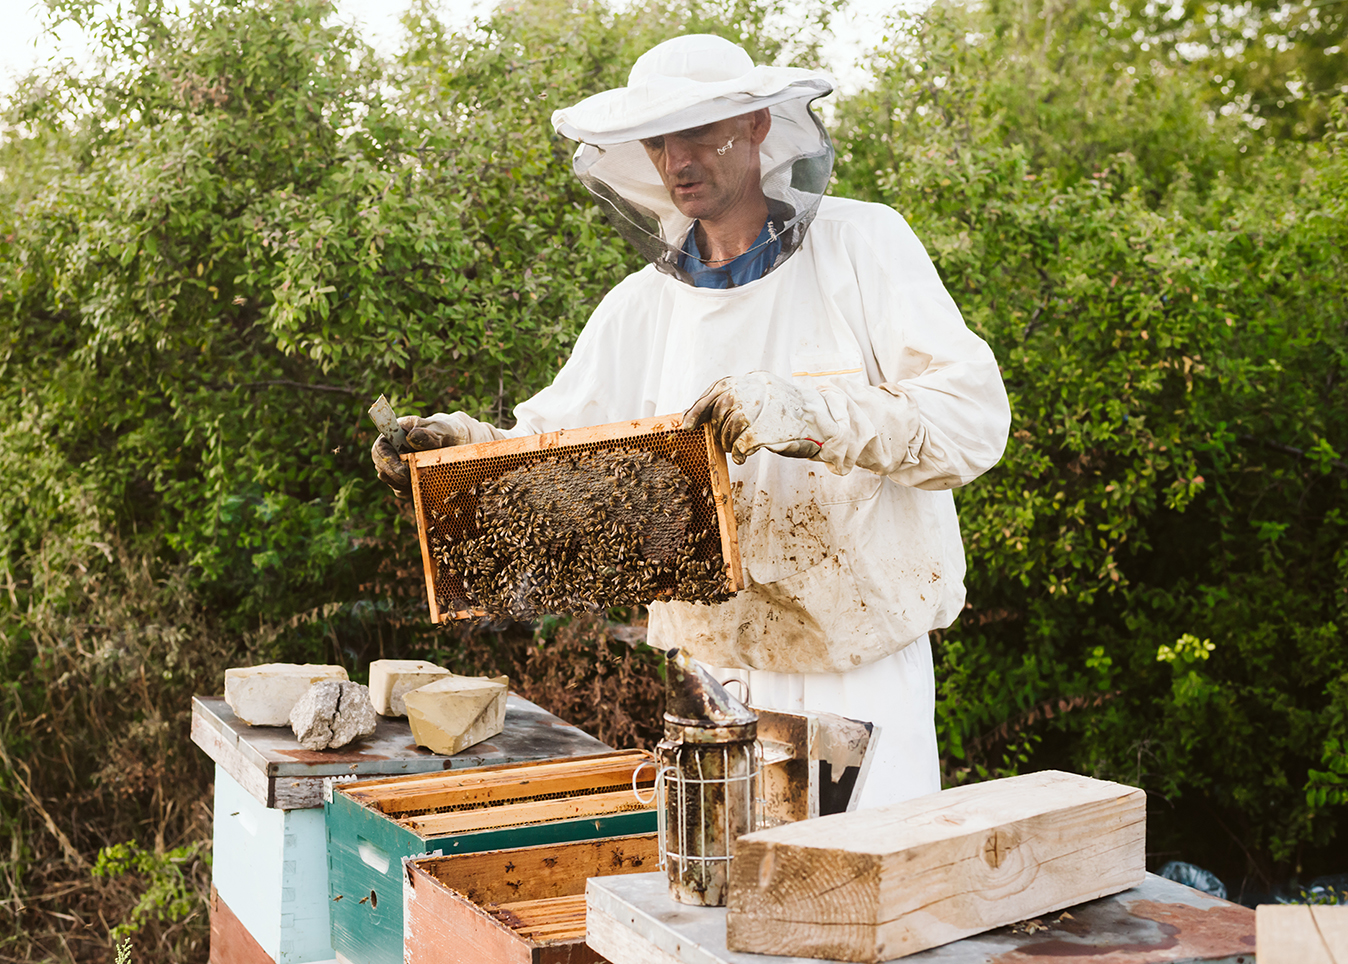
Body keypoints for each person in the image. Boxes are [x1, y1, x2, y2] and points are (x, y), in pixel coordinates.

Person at [372, 34, 1010, 808]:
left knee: (865, 896)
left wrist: (808, 413)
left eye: (700, 132)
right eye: (659, 139)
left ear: (760, 127)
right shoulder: (640, 308)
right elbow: (554, 452)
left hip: (858, 662)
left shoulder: (863, 245)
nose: (677, 158)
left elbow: (972, 421)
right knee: (728, 904)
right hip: (714, 670)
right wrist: (462, 458)